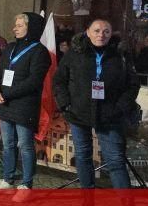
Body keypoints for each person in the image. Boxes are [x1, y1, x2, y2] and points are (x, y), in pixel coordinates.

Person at [53, 19, 140, 191]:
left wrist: (120, 107)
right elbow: (59, 80)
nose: (101, 34)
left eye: (106, 31)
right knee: (83, 156)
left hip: (110, 115)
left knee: (115, 160)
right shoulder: (75, 52)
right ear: (88, 32)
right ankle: (88, 199)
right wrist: (65, 104)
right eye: (97, 30)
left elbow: (133, 84)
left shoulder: (120, 54)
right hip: (78, 113)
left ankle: (127, 205)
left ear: (111, 33)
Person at [0, 13, 52, 201]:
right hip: (5, 103)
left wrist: (7, 94)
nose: (15, 28)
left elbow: (34, 81)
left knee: (25, 145)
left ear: (31, 28)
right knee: (8, 144)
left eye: (20, 25)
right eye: (16, 24)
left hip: (24, 105)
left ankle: (26, 185)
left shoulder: (40, 52)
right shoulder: (11, 48)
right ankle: (7, 181)